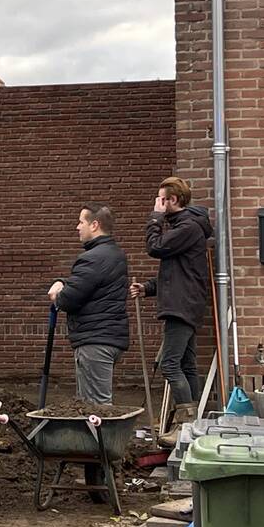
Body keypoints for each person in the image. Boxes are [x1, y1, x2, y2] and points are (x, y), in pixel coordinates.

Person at [130, 177, 213, 446]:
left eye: (160, 199)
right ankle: (193, 425)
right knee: (186, 365)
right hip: (185, 303)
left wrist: (154, 218)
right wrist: (148, 288)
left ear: (172, 200)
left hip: (182, 307)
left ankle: (185, 424)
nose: (157, 203)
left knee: (170, 364)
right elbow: (179, 272)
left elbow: (155, 247)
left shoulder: (187, 227)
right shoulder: (186, 227)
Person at [47, 203, 129, 405]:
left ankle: (103, 438)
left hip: (95, 340)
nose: (77, 227)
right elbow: (89, 286)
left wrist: (58, 294)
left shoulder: (92, 259)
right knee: (92, 403)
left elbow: (69, 299)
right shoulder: (114, 254)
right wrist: (63, 282)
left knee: (97, 407)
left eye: (81, 221)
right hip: (109, 336)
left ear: (94, 225)